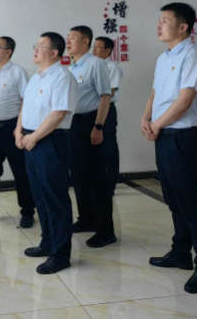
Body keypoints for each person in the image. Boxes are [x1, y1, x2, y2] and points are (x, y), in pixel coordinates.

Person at [141, 3, 197, 293]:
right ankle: (181, 252)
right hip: (164, 134)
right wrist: (146, 118)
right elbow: (156, 92)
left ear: (183, 27)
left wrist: (157, 124)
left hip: (183, 136)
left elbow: (185, 100)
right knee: (172, 198)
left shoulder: (193, 56)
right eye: (159, 20)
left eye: (165, 21)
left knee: (189, 202)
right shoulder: (164, 57)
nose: (159, 25)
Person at [15, 32, 78, 274]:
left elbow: (58, 113)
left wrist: (34, 137)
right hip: (31, 139)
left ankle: (60, 254)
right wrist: (19, 130)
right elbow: (26, 107)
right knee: (40, 196)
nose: (35, 49)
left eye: (41, 46)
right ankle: (47, 242)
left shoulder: (62, 77)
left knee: (55, 198)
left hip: (51, 141)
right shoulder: (35, 77)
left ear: (54, 53)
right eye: (36, 44)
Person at [66, 26, 116, 248]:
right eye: (67, 38)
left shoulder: (96, 64)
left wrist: (98, 126)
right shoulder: (72, 66)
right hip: (73, 124)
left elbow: (105, 97)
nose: (68, 42)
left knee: (96, 178)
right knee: (78, 176)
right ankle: (86, 219)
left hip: (90, 122)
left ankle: (106, 231)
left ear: (85, 41)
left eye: (73, 38)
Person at [0, 36, 35, 227]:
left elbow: (25, 101)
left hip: (12, 128)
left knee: (21, 171)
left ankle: (27, 211)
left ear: (8, 52)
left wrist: (19, 128)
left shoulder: (18, 72)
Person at [92, 37, 124, 194]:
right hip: (92, 111)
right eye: (94, 46)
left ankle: (110, 184)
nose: (94, 50)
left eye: (98, 47)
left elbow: (109, 92)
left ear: (107, 51)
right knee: (95, 148)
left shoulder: (112, 67)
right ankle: (98, 182)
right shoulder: (93, 66)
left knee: (108, 147)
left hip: (106, 110)